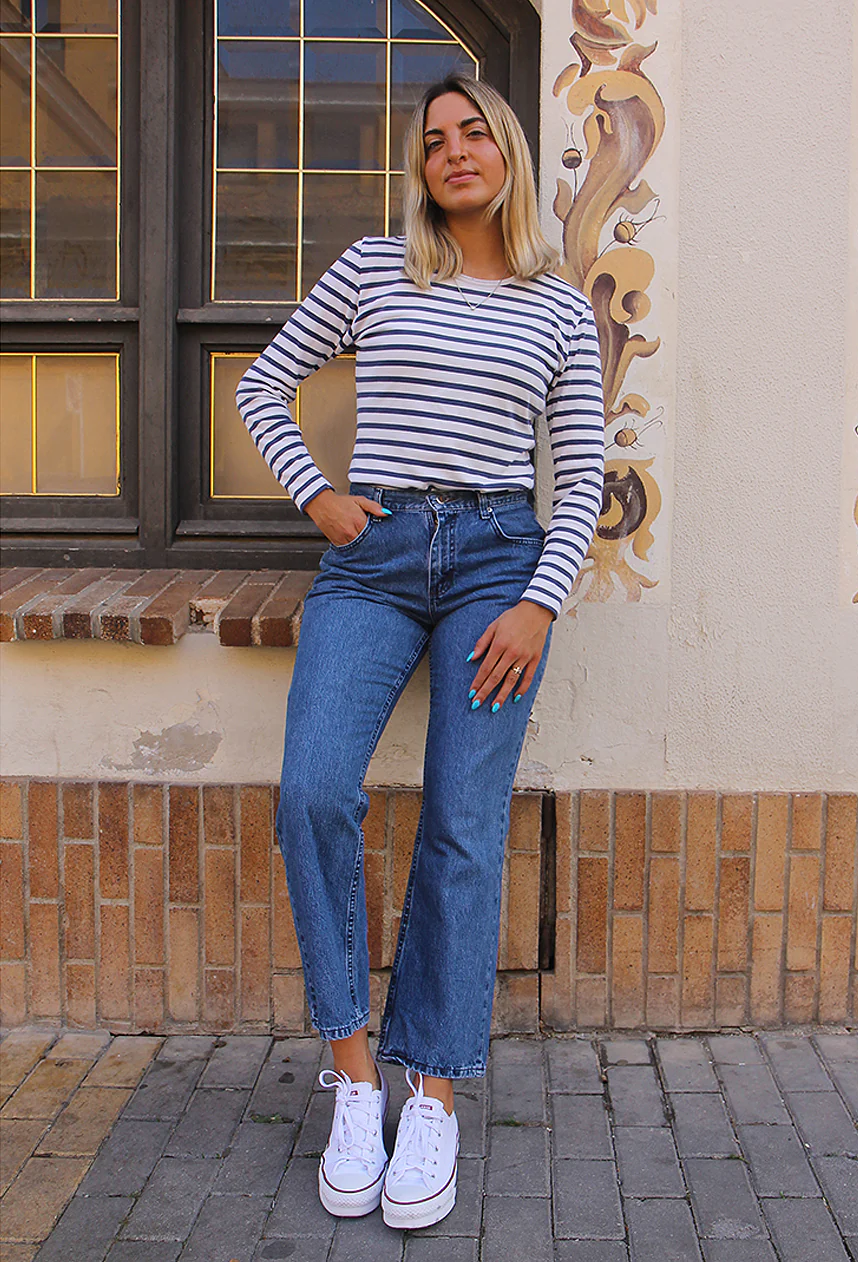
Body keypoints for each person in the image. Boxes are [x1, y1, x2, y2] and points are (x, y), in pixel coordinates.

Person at [236, 72, 605, 1231]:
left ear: (506, 154)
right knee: (312, 791)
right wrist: (319, 496)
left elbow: (581, 475)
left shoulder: (558, 308)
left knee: (460, 823)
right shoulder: (372, 268)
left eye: (472, 133)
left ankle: (432, 1093)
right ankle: (354, 1077)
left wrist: (539, 602)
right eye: (434, 138)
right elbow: (263, 383)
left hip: (498, 563)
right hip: (375, 556)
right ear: (420, 165)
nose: (453, 151)